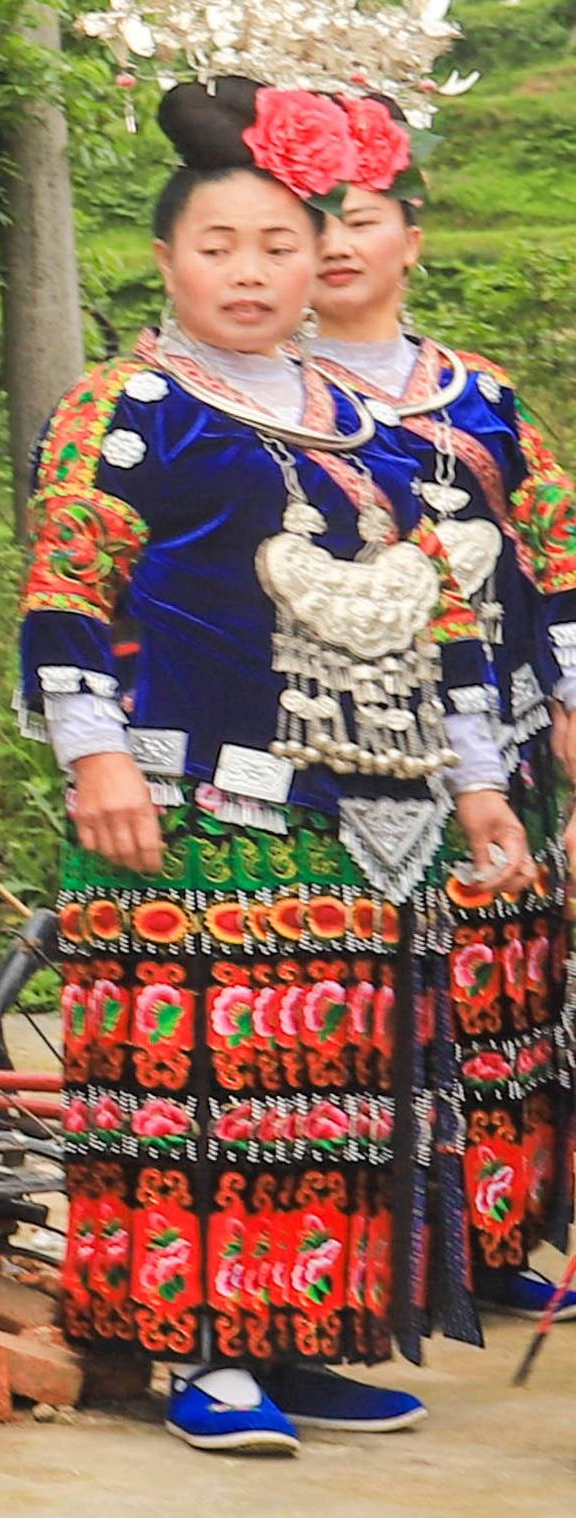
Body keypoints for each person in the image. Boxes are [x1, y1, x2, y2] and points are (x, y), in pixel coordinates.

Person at [19, 75, 528, 1451]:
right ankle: (195, 1350)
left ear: (320, 259)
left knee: (329, 1087)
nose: (247, 273)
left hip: (358, 806)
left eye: (275, 246)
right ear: (166, 260)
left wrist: (476, 778)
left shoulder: (374, 428)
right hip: (182, 804)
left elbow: (444, 607)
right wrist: (94, 757)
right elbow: (66, 587)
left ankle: (298, 1332)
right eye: (216, 247)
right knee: (201, 1081)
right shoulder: (128, 410)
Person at [302, 92, 573, 1318]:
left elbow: (557, 555)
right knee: (369, 1009)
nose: (340, 245)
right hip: (346, 737)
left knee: (501, 997)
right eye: (319, 223)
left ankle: (494, 1242)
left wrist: (566, 693)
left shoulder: (485, 400)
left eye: (362, 220)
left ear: (411, 233)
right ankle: (384, 1255)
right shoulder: (274, 399)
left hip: (495, 730)